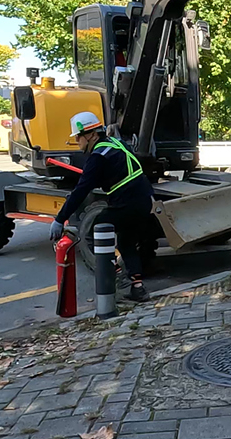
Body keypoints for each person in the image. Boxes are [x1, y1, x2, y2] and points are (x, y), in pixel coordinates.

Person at [50, 111, 160, 302]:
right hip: (144, 200)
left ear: (92, 135)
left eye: (78, 136)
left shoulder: (98, 156)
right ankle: (138, 288)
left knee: (93, 233)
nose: (76, 141)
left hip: (127, 202)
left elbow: (81, 191)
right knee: (126, 242)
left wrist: (60, 219)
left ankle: (118, 278)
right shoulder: (117, 143)